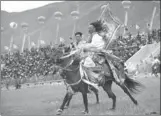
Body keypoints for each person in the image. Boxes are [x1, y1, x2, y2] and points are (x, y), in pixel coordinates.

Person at [77, 20, 125, 86]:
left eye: (90, 28)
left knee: (119, 62)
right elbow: (87, 44)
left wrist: (104, 36)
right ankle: (90, 79)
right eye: (88, 28)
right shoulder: (91, 36)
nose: (88, 29)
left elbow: (107, 40)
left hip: (101, 52)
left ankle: (121, 78)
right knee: (83, 64)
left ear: (94, 28)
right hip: (92, 53)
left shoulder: (101, 34)